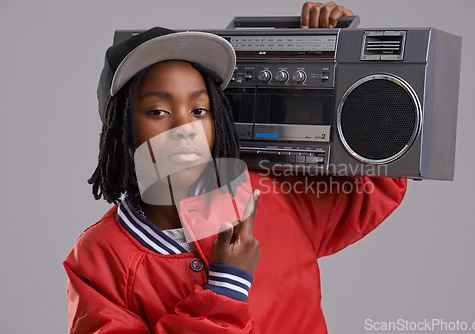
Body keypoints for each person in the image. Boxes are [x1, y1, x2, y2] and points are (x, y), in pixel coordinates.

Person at [64, 3, 407, 333]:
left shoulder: (267, 196)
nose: (186, 127)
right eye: (158, 111)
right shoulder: (99, 256)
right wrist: (226, 287)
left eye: (199, 110)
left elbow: (376, 182)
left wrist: (345, 58)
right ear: (118, 128)